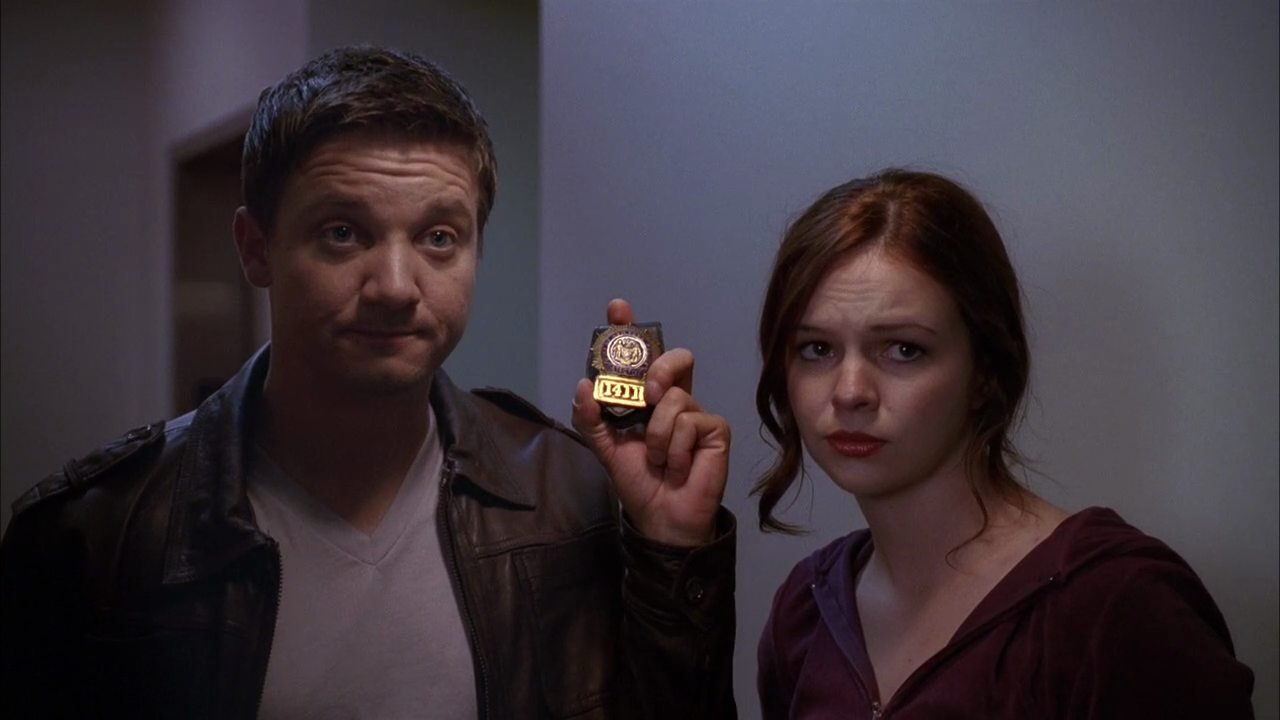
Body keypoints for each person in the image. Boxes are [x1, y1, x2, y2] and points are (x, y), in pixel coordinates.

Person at [1, 46, 737, 719]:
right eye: (343, 233)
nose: (394, 287)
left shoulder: (573, 497)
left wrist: (672, 550)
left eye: (439, 238)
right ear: (256, 249)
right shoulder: (95, 536)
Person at [752, 169, 1254, 718]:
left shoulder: (1115, 605)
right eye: (817, 349)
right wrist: (685, 546)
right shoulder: (806, 611)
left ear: (986, 371)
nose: (850, 392)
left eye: (903, 349)